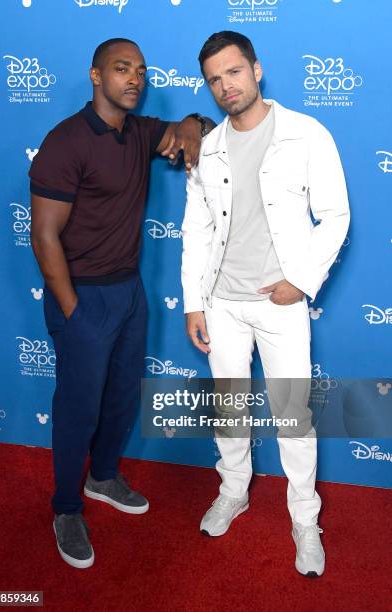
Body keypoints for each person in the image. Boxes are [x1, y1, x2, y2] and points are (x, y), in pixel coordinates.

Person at [30, 37, 212, 569]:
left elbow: (185, 129)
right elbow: (44, 236)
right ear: (95, 75)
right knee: (78, 408)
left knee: (121, 400)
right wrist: (72, 311)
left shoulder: (138, 131)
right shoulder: (65, 142)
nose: (134, 78)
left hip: (130, 292)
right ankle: (65, 508)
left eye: (140, 70)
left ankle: (102, 476)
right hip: (82, 295)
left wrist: (195, 127)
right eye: (120, 68)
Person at [181, 31, 350, 577]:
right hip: (222, 303)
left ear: (256, 69)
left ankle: (305, 518)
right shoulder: (207, 147)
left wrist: (299, 282)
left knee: (293, 415)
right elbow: (197, 230)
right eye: (213, 78)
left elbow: (336, 215)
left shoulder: (306, 133)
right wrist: (194, 302)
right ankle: (233, 489)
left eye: (233, 72)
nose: (224, 85)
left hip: (280, 304)